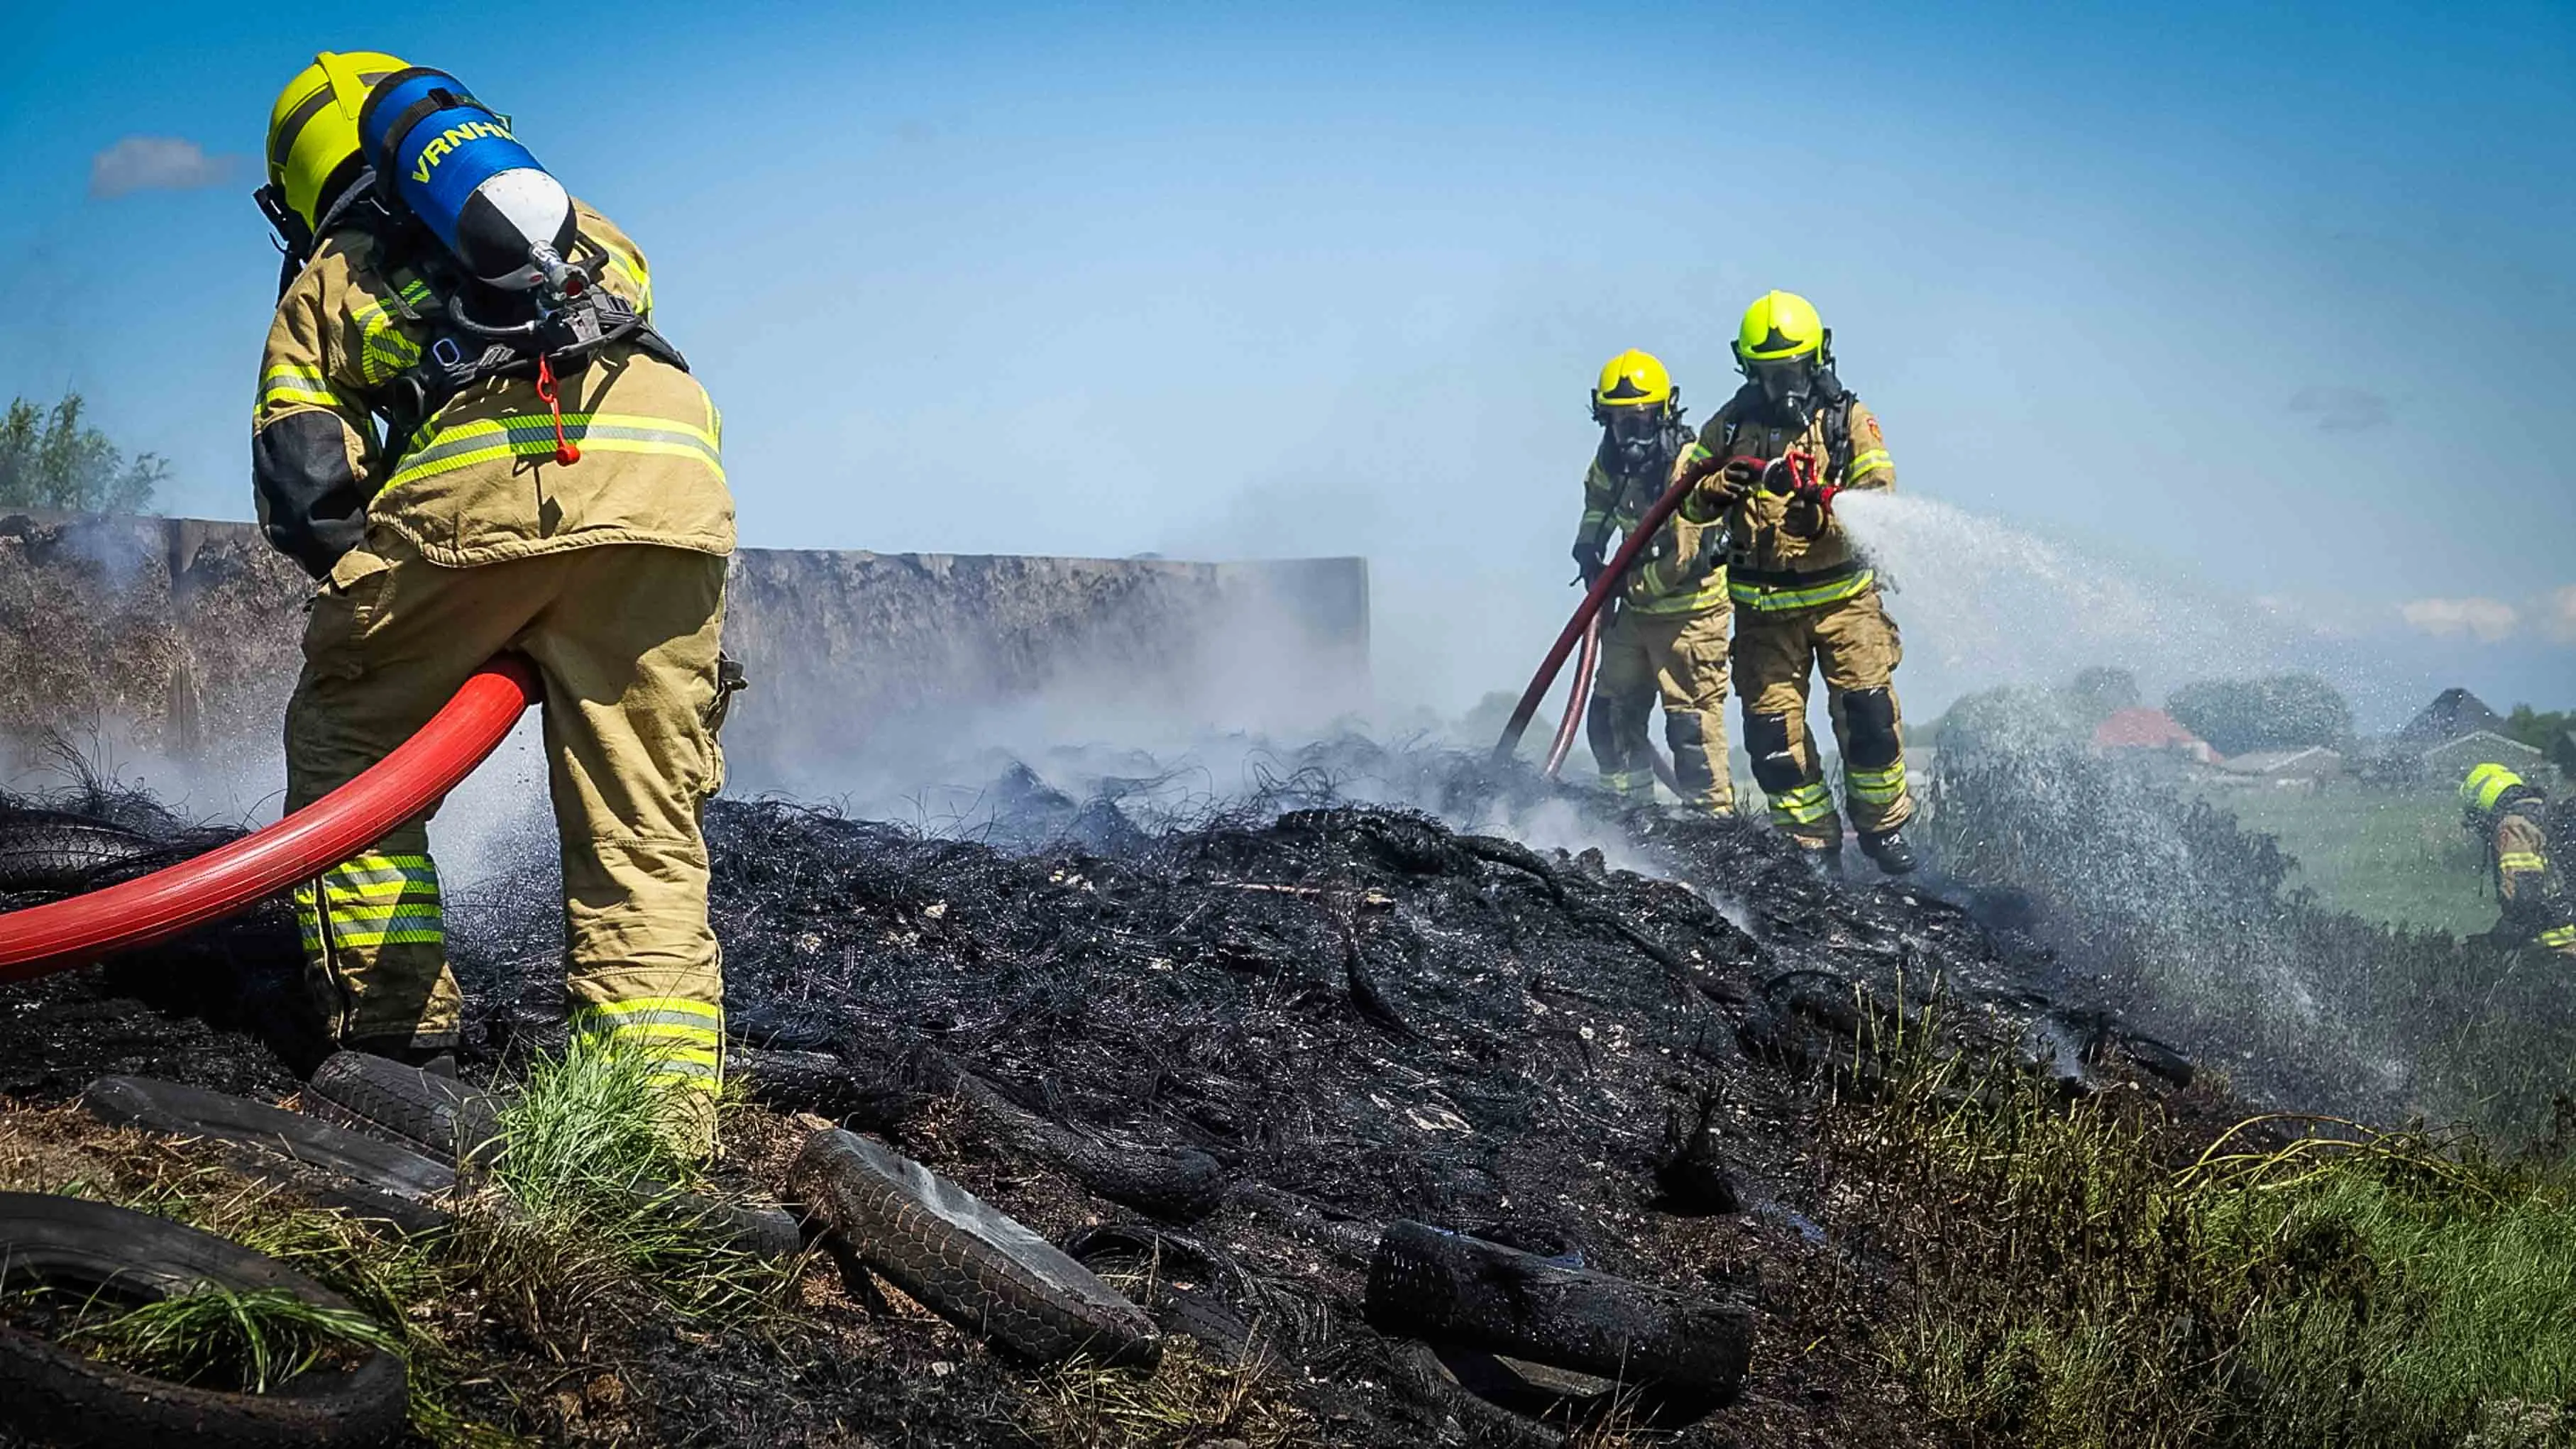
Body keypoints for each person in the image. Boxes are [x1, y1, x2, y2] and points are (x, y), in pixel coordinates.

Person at [253, 52, 738, 1153]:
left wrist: (390, 595)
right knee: (642, 822)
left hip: (478, 503)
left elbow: (306, 486)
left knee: (347, 740)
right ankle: (658, 1129)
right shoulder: (583, 225)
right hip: (672, 493)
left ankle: (390, 1035)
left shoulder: (337, 266)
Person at [1670, 291, 1914, 873]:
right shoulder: (1728, 425)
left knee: (1870, 720)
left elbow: (1882, 502)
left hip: (1845, 606)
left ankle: (1883, 830)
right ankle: (1812, 850)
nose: (1784, 385)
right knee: (1773, 740)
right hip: (1764, 614)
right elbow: (1684, 495)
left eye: (1795, 370)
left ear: (1818, 359)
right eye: (1770, 373)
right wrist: (1711, 490)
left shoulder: (1847, 420)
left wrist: (1825, 516)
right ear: (1749, 368)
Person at [1571, 350, 1735, 813]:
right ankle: (1628, 820)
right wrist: (1589, 546)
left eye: (1640, 421)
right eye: (1620, 422)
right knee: (1609, 716)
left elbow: (1683, 556)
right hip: (1638, 615)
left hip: (1690, 616)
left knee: (1691, 734)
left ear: (1664, 413)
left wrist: (1622, 586)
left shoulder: (1686, 465)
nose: (1631, 435)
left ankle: (1714, 837)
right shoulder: (1611, 460)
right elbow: (1598, 501)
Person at [2460, 764, 2576, 959]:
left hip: (2558, 949)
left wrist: (2492, 944)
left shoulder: (2513, 827)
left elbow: (2525, 902)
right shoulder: (2545, 811)